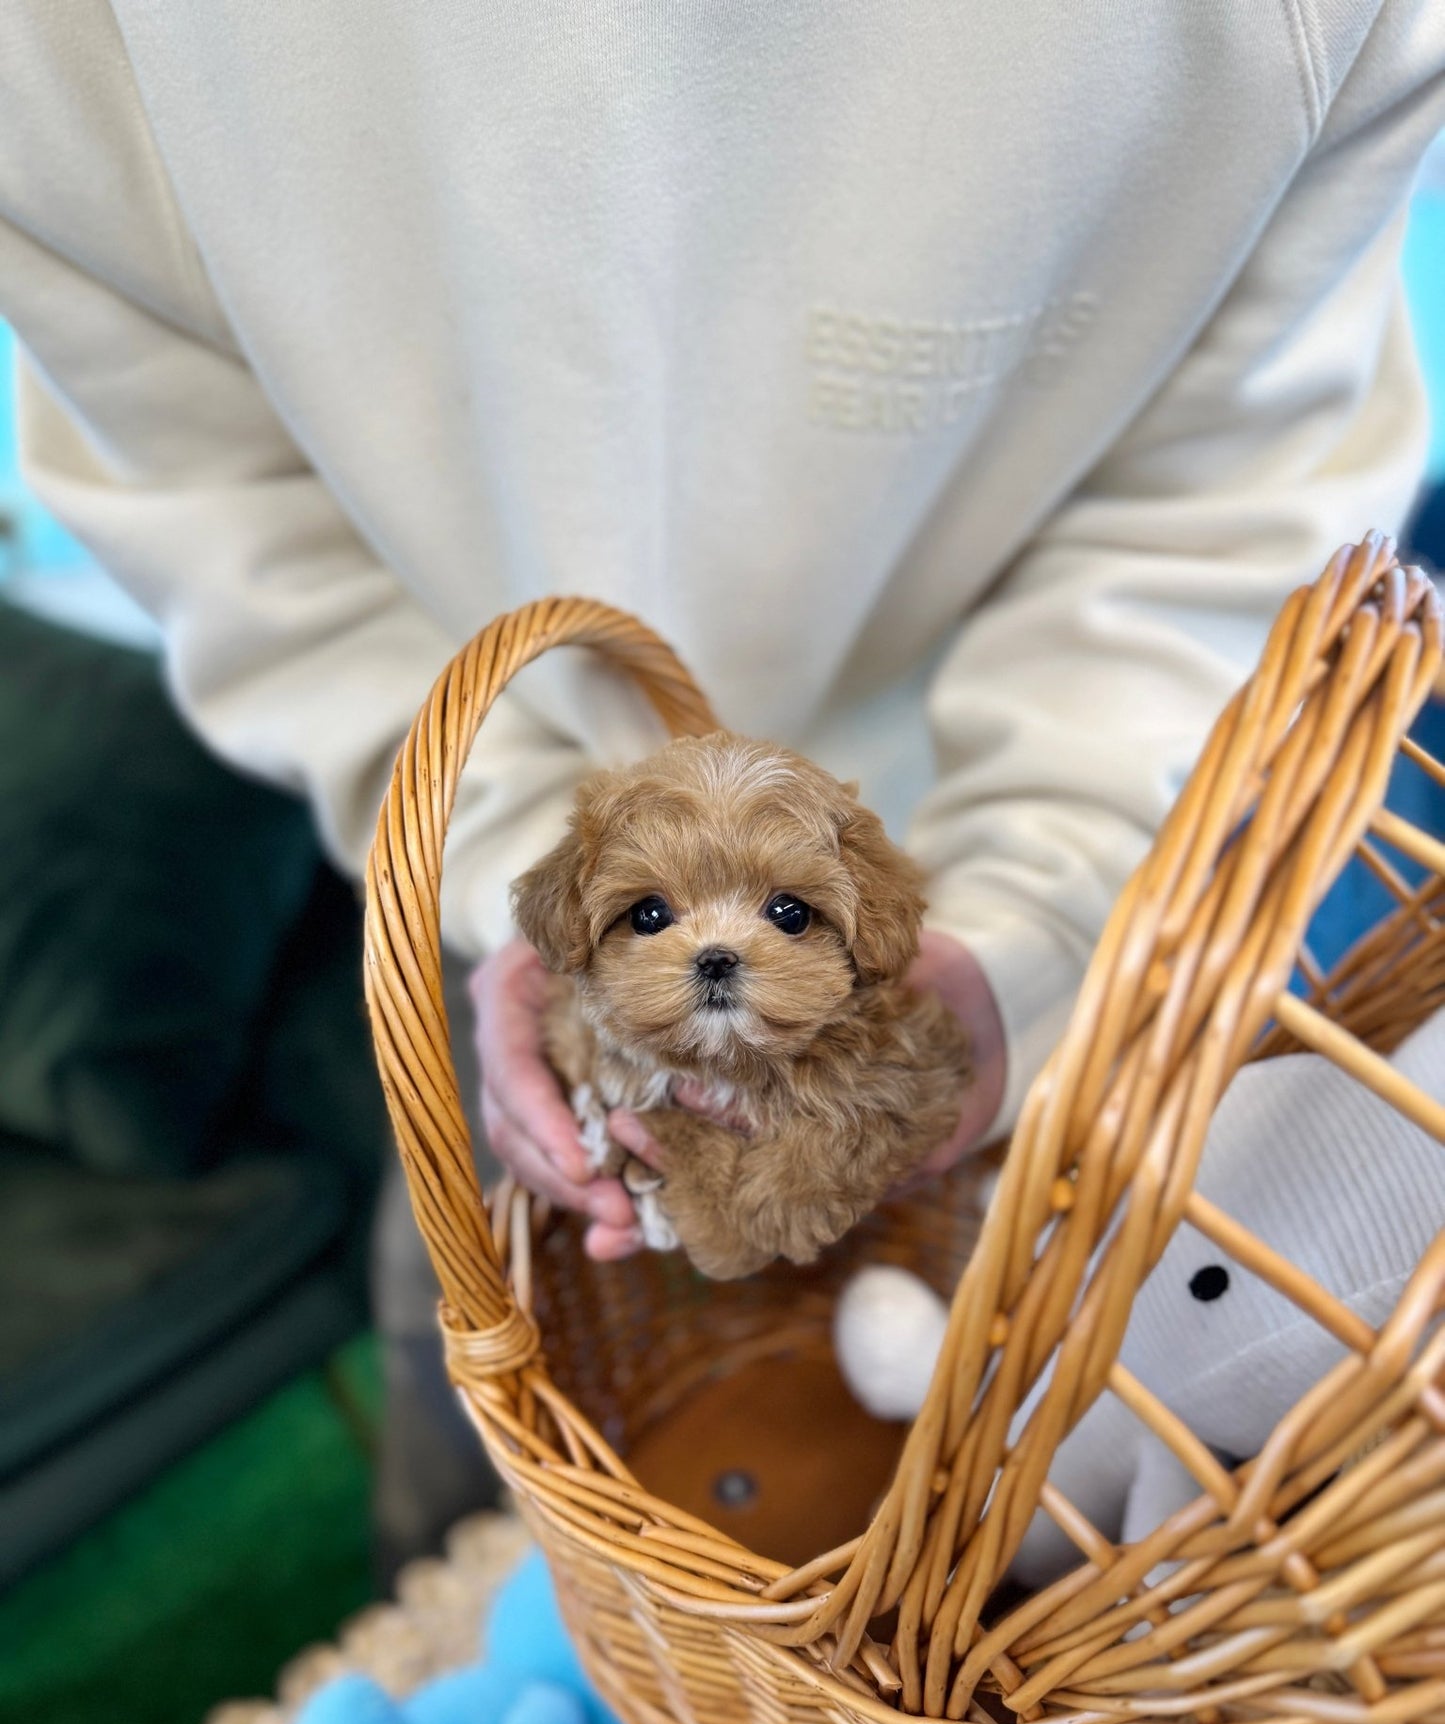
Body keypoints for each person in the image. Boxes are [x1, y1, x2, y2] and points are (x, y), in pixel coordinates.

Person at [4, 1, 1444, 1557]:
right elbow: (226, 515)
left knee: (1091, 1480)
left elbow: (1219, 514)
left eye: (768, 914)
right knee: (484, 1459)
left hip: (1088, 892)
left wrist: (1032, 925)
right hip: (496, 876)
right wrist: (503, 871)